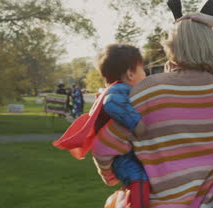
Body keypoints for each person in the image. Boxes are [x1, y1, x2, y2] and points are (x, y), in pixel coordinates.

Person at [108, 0, 213, 207]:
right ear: (211, 44)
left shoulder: (147, 90)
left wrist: (109, 174)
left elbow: (109, 144)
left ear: (171, 46)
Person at [53, 44, 149, 208]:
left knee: (138, 182)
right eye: (143, 69)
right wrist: (136, 123)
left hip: (125, 153)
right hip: (122, 158)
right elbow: (111, 102)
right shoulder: (119, 89)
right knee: (138, 179)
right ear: (130, 73)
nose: (145, 73)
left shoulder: (120, 89)